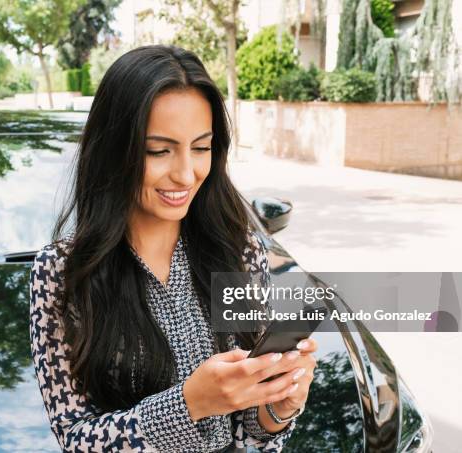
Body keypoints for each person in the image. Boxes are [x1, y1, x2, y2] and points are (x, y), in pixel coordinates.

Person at [29, 44, 318, 452]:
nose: (186, 174)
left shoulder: (238, 253)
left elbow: (248, 427)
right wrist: (188, 405)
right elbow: (75, 437)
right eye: (159, 151)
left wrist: (279, 406)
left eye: (201, 148)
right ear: (114, 152)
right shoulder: (60, 272)